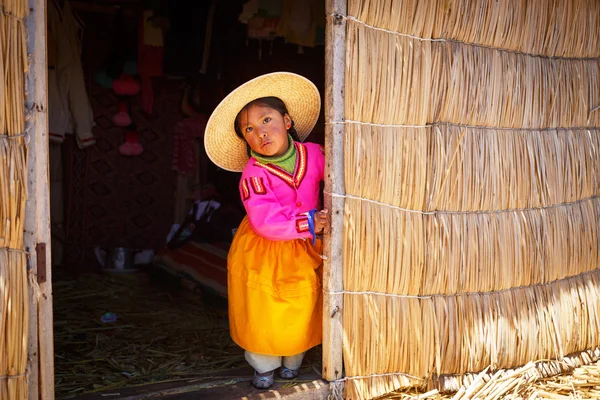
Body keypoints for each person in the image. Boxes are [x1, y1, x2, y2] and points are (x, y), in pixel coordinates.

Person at [204, 72, 329, 389]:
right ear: (244, 139)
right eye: (249, 128)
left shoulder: (314, 154)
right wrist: (311, 222)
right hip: (264, 248)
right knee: (264, 306)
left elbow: (341, 178)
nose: (260, 132)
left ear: (287, 121)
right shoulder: (253, 174)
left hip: (305, 247)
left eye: (267, 120)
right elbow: (266, 220)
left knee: (301, 301)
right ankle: (264, 364)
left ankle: (293, 360)